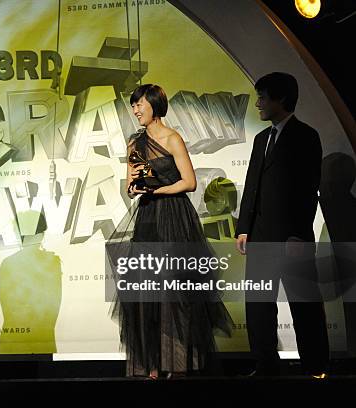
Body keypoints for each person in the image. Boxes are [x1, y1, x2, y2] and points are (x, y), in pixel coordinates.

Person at [109, 84, 232, 379]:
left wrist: (160, 188)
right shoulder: (134, 143)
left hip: (174, 216)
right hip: (148, 217)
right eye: (133, 105)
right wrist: (135, 186)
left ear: (154, 105)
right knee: (147, 291)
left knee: (174, 291)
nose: (136, 110)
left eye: (140, 104)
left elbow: (189, 182)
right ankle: (150, 364)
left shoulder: (173, 138)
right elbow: (129, 187)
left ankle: (178, 364)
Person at [235, 72, 329, 377]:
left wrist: (299, 234)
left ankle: (316, 367)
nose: (258, 103)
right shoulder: (262, 138)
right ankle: (265, 365)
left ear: (282, 99)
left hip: (293, 239)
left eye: (263, 97)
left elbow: (307, 189)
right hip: (260, 236)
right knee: (259, 305)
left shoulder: (306, 136)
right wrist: (243, 227)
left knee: (305, 305)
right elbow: (253, 185)